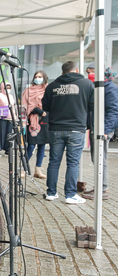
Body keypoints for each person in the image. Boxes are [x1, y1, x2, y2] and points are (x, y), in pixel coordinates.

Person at [42, 61, 94, 204]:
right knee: (73, 163)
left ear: (62, 71)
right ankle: (70, 195)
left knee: (54, 162)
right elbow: (92, 106)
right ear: (76, 70)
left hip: (55, 129)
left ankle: (51, 193)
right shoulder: (87, 84)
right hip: (76, 129)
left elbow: (45, 106)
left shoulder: (52, 86)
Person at [83, 67, 118, 200]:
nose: (90, 74)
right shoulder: (97, 87)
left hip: (102, 130)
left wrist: (105, 130)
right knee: (96, 158)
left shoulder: (110, 88)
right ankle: (100, 187)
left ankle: (103, 189)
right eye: (88, 73)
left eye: (93, 71)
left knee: (99, 158)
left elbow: (114, 111)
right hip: (96, 128)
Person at [22, 71, 49, 179]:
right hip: (32, 120)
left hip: (44, 120)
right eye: (36, 77)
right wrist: (36, 110)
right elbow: (24, 106)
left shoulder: (48, 89)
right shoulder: (28, 90)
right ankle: (23, 168)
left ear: (44, 78)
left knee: (42, 145)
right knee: (31, 145)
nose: (38, 78)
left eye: (40, 77)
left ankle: (38, 169)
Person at [0, 82, 17, 155]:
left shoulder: (11, 96)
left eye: (9, 88)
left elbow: (13, 108)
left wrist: (14, 117)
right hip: (1, 117)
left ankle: (7, 149)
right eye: (6, 87)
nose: (8, 89)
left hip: (10, 118)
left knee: (9, 134)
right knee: (0, 134)